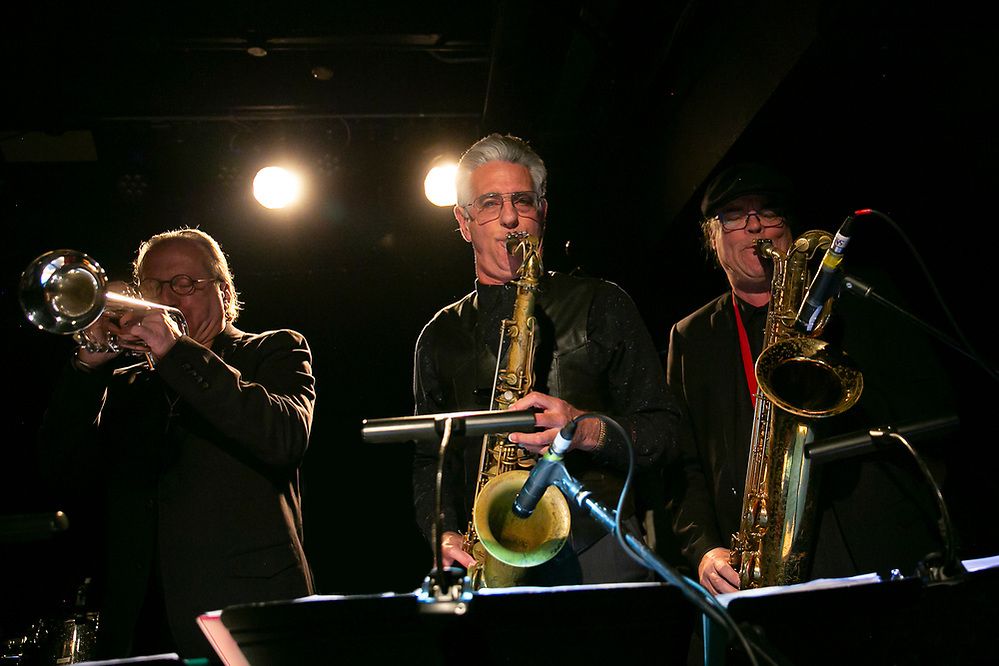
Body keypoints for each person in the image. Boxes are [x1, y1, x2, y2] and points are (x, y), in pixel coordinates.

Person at [412, 133, 680, 585]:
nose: (510, 218)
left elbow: (667, 434)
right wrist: (443, 532)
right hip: (491, 551)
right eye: (490, 203)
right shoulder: (439, 335)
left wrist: (586, 430)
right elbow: (428, 461)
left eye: (522, 201)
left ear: (543, 211)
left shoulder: (603, 303)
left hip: (600, 544)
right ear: (464, 221)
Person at [667, 163, 945, 596]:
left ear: (790, 229)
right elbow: (682, 465)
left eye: (768, 211)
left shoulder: (861, 297)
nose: (755, 225)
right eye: (735, 215)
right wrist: (704, 549)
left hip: (877, 541)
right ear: (713, 236)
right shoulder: (691, 337)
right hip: (762, 560)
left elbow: (929, 407)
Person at [38, 229, 315, 658]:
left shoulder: (274, 349)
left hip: (246, 615)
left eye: (184, 284)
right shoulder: (125, 384)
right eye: (153, 287)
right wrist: (88, 365)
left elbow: (283, 437)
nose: (167, 298)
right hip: (140, 624)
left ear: (224, 293)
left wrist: (176, 350)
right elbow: (60, 470)